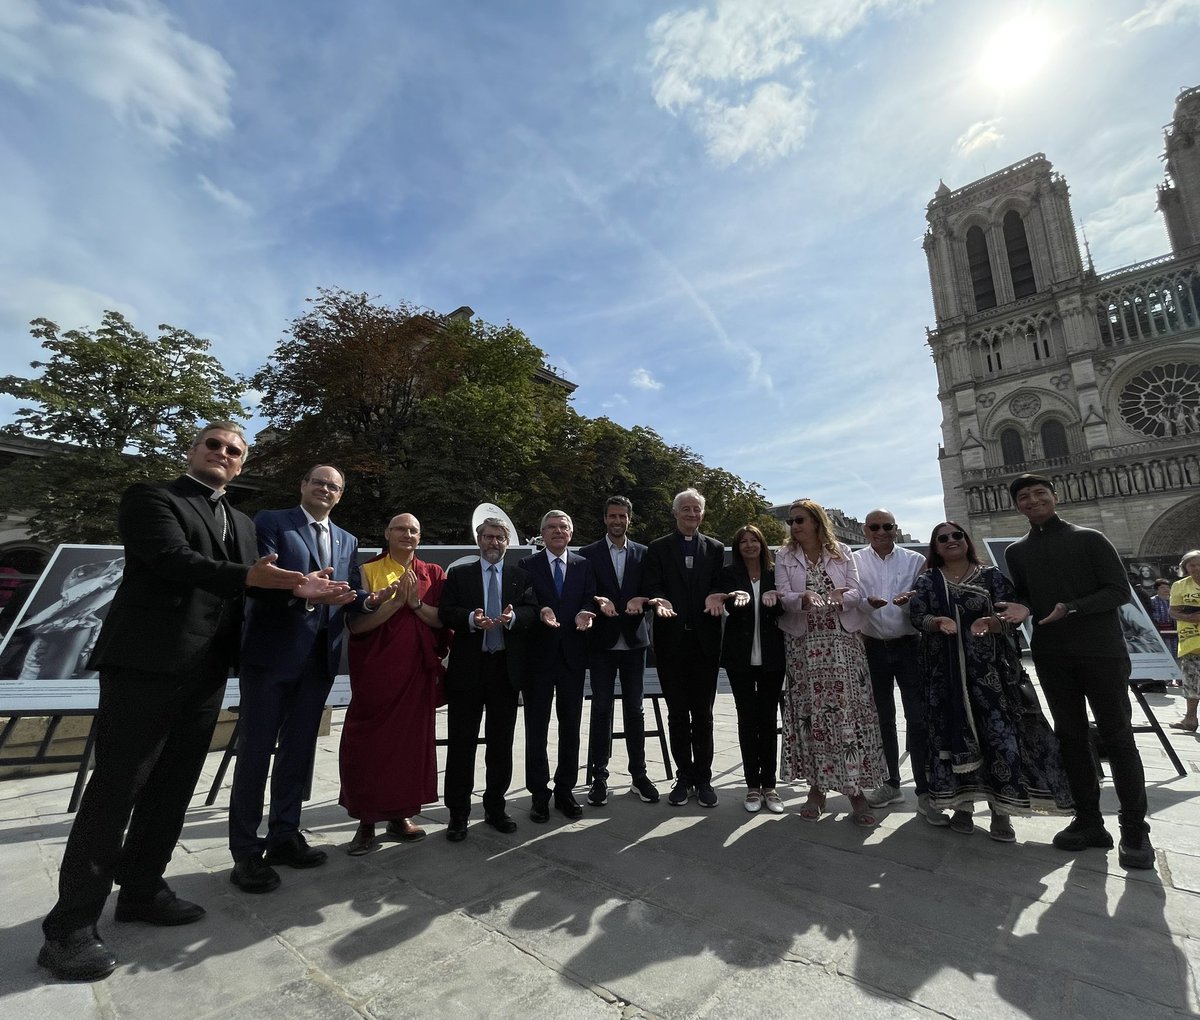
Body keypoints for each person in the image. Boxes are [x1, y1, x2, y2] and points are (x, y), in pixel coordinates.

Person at [38, 422, 339, 982]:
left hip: (207, 672)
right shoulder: (153, 498)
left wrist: (303, 589)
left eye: (235, 451)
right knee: (117, 789)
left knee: (173, 787)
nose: (223, 454)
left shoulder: (244, 523)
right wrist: (267, 580)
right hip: (147, 665)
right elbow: (174, 561)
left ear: (242, 465)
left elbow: (255, 586)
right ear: (193, 450)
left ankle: (143, 889)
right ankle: (69, 927)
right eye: (214, 445)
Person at [1005, 473, 1155, 870]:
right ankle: (1089, 821)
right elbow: (1024, 593)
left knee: (1118, 737)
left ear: (1055, 496)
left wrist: (1071, 607)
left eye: (1040, 493)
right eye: (1024, 497)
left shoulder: (1089, 538)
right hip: (1052, 654)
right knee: (1070, 737)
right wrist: (1019, 607)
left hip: (1100, 651)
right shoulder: (1017, 552)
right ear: (1017, 505)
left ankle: (1135, 829)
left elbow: (1118, 591)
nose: (1033, 500)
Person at [227, 465, 360, 893]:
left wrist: (360, 597)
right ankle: (246, 852)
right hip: (271, 657)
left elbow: (345, 589)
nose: (325, 488)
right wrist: (297, 588)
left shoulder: (347, 540)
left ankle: (285, 835)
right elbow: (257, 578)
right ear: (303, 486)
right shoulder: (272, 522)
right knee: (255, 753)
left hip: (318, 661)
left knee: (298, 753)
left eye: (333, 485)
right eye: (318, 481)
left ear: (340, 496)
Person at [911, 522, 1074, 840]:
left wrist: (994, 623)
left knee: (999, 738)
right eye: (942, 538)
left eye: (957, 535)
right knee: (954, 735)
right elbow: (917, 616)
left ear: (966, 540)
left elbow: (1011, 617)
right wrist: (936, 621)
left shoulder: (991, 577)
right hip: (946, 677)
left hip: (991, 677)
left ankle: (1002, 812)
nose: (951, 541)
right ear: (936, 546)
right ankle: (963, 805)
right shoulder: (928, 580)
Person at [339, 513, 448, 855]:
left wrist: (414, 604)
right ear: (386, 533)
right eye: (400, 528)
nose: (407, 534)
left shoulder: (432, 573)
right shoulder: (368, 571)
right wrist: (397, 602)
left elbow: (441, 621)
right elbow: (358, 626)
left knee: (409, 747)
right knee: (369, 746)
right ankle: (366, 822)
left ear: (420, 537)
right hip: (378, 675)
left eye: (413, 529)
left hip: (415, 674)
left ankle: (401, 815)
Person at [774, 499, 885, 826]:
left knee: (848, 713)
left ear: (817, 522)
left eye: (800, 520)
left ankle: (855, 790)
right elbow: (782, 595)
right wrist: (802, 598)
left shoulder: (841, 552)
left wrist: (840, 596)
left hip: (843, 641)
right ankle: (816, 788)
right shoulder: (784, 556)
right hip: (804, 644)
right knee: (811, 714)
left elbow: (856, 591)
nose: (794, 526)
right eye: (791, 521)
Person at [439, 518, 537, 840]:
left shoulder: (520, 577)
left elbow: (532, 611)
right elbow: (446, 611)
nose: (493, 542)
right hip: (468, 670)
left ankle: (495, 807)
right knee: (461, 744)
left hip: (504, 672)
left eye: (499, 537)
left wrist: (512, 619)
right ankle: (458, 813)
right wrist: (469, 619)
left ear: (508, 541)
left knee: (500, 744)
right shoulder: (460, 574)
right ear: (478, 540)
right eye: (488, 537)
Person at [642, 488, 725, 808]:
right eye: (686, 509)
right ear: (675, 513)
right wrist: (657, 600)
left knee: (703, 714)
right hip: (671, 642)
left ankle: (703, 779)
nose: (692, 514)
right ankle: (684, 776)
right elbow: (652, 586)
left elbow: (721, 582)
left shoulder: (715, 548)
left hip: (705, 643)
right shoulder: (658, 548)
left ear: (703, 514)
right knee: (677, 714)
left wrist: (718, 594)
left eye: (697, 509)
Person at [852, 509, 935, 819]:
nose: (881, 531)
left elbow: (924, 596)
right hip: (871, 646)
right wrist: (864, 603)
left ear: (896, 529)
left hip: (908, 646)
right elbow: (851, 596)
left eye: (887, 526)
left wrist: (911, 598)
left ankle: (925, 789)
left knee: (917, 717)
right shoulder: (855, 561)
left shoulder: (914, 561)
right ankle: (890, 783)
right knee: (881, 718)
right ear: (865, 530)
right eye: (875, 526)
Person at [578, 496, 659, 806]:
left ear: (629, 519)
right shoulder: (587, 554)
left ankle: (638, 775)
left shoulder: (644, 553)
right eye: (612, 515)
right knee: (600, 708)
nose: (617, 520)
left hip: (635, 642)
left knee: (635, 710)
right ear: (605, 519)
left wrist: (645, 599)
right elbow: (585, 593)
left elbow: (653, 589)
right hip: (601, 642)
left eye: (622, 516)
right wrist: (597, 601)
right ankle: (599, 777)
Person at [519, 511, 597, 822]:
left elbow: (591, 598)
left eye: (563, 526)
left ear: (571, 532)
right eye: (550, 527)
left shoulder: (583, 564)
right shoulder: (528, 565)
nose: (557, 531)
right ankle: (539, 793)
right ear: (541, 533)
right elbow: (525, 600)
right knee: (536, 728)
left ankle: (565, 789)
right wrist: (541, 609)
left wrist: (586, 611)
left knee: (571, 727)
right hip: (538, 658)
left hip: (572, 658)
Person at [710, 525, 786, 813]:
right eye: (743, 541)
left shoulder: (775, 573)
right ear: (737, 547)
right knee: (746, 719)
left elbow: (785, 609)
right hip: (739, 658)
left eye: (754, 540)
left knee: (767, 721)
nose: (750, 545)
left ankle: (770, 785)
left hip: (772, 658)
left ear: (762, 544)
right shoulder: (729, 575)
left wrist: (775, 600)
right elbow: (716, 600)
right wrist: (728, 598)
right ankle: (752, 786)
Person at [1169, 551, 1200, 731]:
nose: (1196, 568)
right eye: (1192, 565)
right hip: (1191, 640)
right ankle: (1190, 719)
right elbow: (1173, 612)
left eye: (1199, 564)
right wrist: (1193, 617)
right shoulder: (1179, 586)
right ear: (1185, 568)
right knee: (1191, 681)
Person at [1150, 578, 1178, 659]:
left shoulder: (1175, 600)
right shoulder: (1152, 601)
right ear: (1156, 589)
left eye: (1167, 587)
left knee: (1175, 652)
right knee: (1164, 652)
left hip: (1174, 630)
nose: (1166, 589)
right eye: (1162, 587)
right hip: (1159, 630)